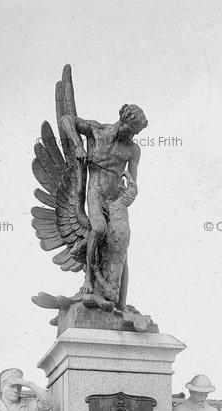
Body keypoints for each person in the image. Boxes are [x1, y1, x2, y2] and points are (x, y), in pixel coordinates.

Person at [59, 102, 148, 309]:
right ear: (122, 121)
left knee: (121, 239)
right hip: (96, 191)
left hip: (116, 198)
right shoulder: (98, 131)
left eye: (136, 133)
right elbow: (66, 119)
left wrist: (131, 190)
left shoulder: (133, 150)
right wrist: (78, 144)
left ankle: (117, 299)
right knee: (98, 229)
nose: (132, 136)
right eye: (130, 130)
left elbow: (134, 183)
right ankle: (89, 279)